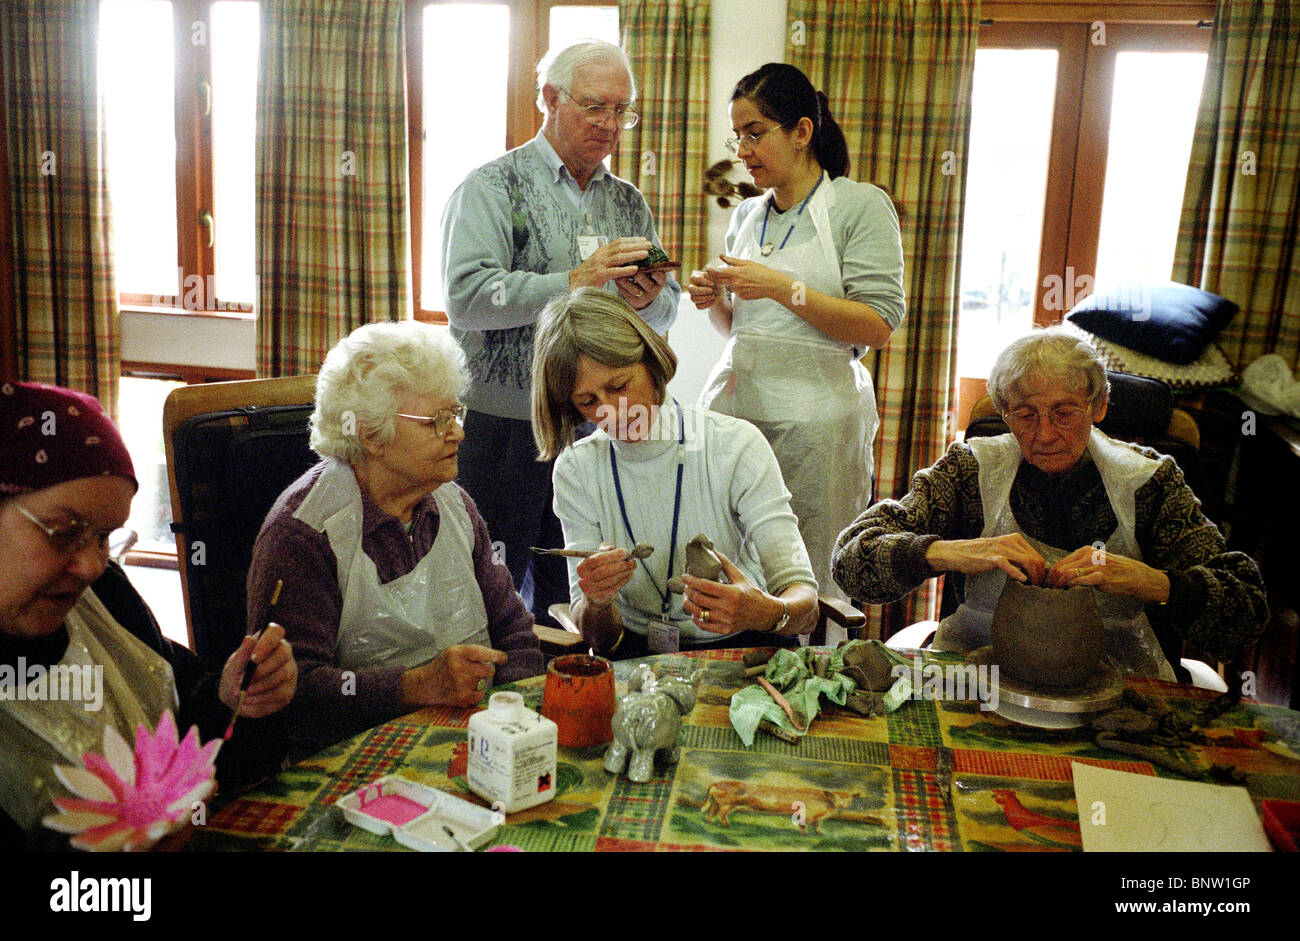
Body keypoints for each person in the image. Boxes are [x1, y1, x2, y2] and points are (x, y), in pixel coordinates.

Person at [831, 329, 1268, 679]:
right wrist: (950, 552)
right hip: (978, 676)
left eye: (1064, 413)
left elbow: (1246, 610)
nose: (1044, 434)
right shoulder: (968, 471)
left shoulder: (1149, 482)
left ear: (1099, 406)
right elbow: (850, 562)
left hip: (1115, 684)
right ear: (1003, 412)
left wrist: (1154, 582)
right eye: (1024, 414)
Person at [441, 39, 681, 626]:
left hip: (595, 425)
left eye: (622, 111)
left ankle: (568, 701)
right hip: (502, 426)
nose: (610, 125)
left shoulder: (628, 202)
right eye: (595, 107)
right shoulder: (492, 186)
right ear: (549, 98)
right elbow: (468, 298)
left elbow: (665, 311)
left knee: (580, 592)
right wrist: (574, 281)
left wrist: (647, 300)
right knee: (484, 590)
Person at [0, 381, 297, 849]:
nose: (91, 565)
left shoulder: (104, 597)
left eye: (104, 538)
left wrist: (235, 698)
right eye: (63, 532)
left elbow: (186, 746)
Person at [247, 322, 544, 761]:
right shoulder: (304, 533)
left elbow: (515, 632)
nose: (458, 433)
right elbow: (296, 691)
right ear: (370, 434)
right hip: (357, 762)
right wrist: (417, 685)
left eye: (455, 414)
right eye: (436, 422)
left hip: (479, 739)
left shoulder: (454, 504)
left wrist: (511, 722)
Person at [689, 63, 905, 620]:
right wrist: (713, 297)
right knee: (733, 563)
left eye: (755, 132)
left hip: (818, 432)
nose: (743, 149)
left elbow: (878, 324)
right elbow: (741, 328)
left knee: (811, 576)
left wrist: (786, 289)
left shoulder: (860, 206)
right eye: (737, 136)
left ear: (802, 131)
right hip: (738, 417)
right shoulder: (746, 215)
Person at [532, 288, 819, 659]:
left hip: (747, 645)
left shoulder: (736, 446)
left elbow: (806, 609)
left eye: (619, 387)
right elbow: (598, 639)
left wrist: (764, 612)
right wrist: (598, 602)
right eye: (588, 402)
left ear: (652, 365)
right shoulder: (576, 469)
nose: (611, 413)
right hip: (638, 655)